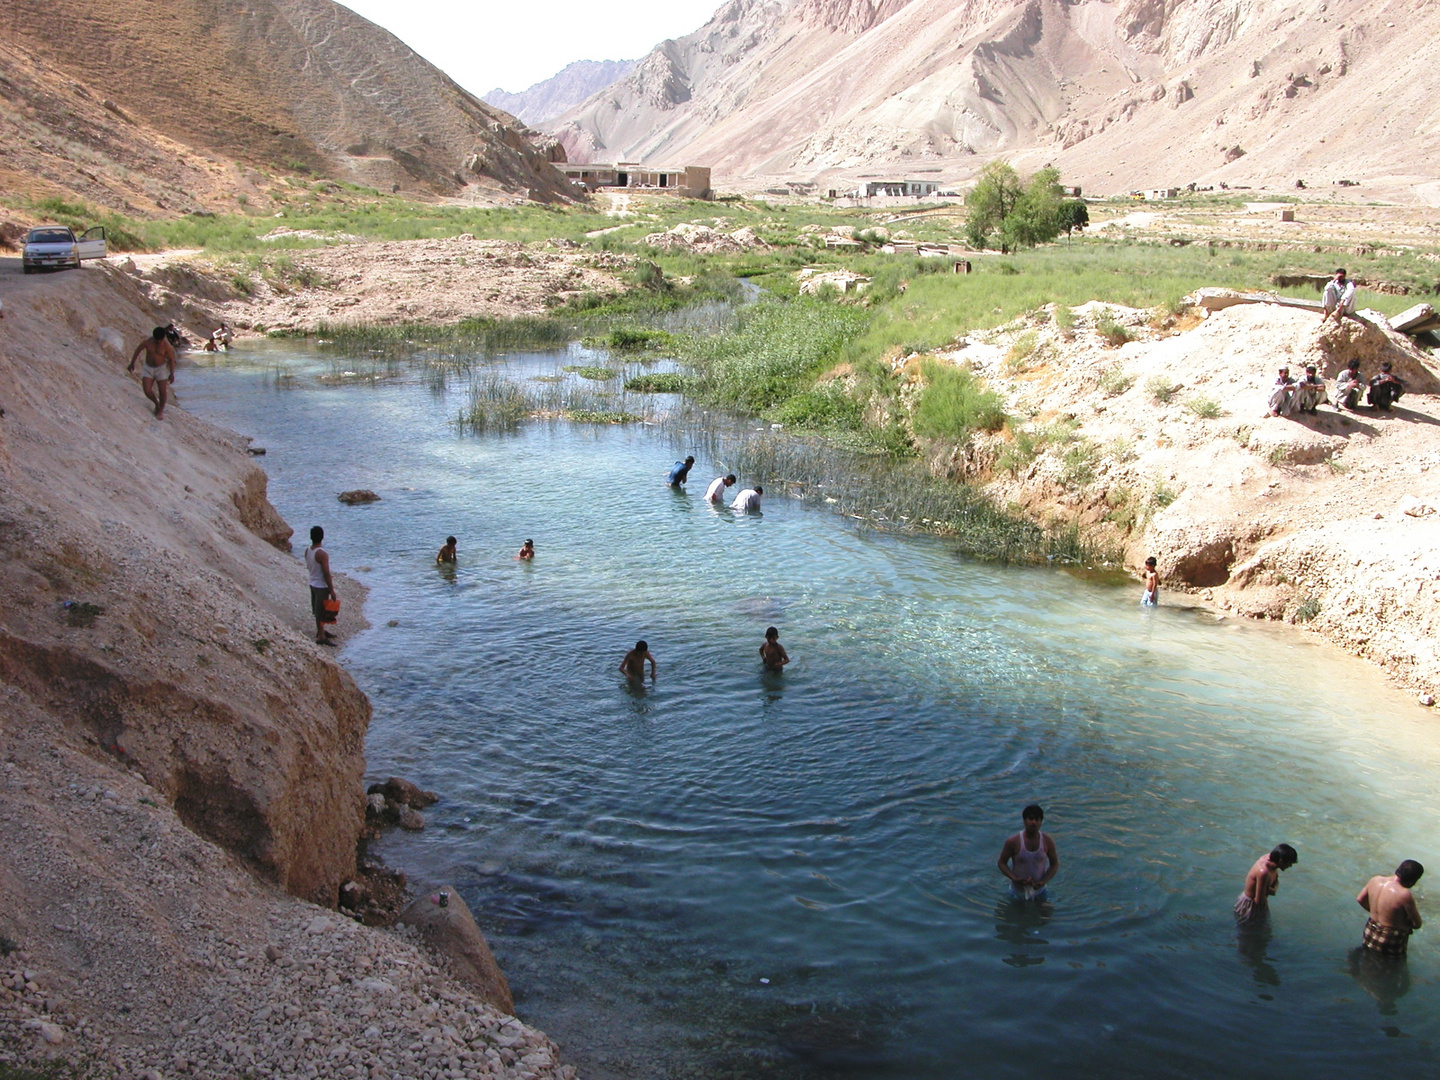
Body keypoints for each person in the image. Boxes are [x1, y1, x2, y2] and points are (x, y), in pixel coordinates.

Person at [1357, 860, 1424, 957]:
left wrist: (1379, 913)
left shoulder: (1375, 880)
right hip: (1390, 939)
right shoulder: (1404, 894)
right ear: (1413, 881)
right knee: (1392, 967)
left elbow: (1360, 899)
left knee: (1368, 957)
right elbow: (1417, 924)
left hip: (1370, 929)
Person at [997, 804, 1058, 901]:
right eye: (1030, 818)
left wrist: (1043, 881)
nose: (1033, 822)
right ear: (1024, 821)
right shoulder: (1013, 841)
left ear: (1041, 822)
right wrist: (1014, 878)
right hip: (1017, 892)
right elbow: (1001, 863)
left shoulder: (1047, 842)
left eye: (1037, 819)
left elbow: (1054, 865)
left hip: (1040, 890)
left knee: (1046, 915)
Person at [1234, 844, 1299, 924]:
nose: (1290, 866)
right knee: (1251, 933)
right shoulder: (1263, 872)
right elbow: (1259, 901)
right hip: (1251, 906)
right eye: (1289, 863)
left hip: (1256, 903)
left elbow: (1276, 880)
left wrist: (1272, 890)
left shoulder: (1272, 859)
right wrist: (1271, 891)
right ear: (1281, 861)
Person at [127, 327, 176, 418]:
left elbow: (171, 359)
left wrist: (172, 373)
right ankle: (156, 403)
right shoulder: (148, 342)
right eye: (156, 340)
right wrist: (132, 363)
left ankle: (161, 411)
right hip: (148, 368)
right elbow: (138, 350)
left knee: (162, 391)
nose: (158, 342)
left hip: (161, 368)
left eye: (160, 340)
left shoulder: (166, 345)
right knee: (147, 390)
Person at [304, 525, 337, 646]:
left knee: (317, 609)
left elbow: (309, 566)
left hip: (312, 582)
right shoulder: (322, 554)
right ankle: (321, 636)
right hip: (321, 585)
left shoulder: (308, 550)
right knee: (321, 611)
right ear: (322, 537)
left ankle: (321, 630)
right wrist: (332, 590)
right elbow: (326, 573)